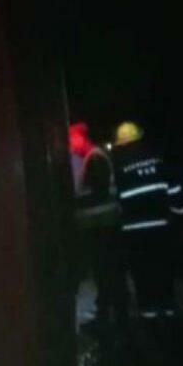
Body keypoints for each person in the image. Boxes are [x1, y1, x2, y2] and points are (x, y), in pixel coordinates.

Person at [111, 120, 183, 321]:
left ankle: (148, 312)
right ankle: (168, 307)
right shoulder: (157, 160)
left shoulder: (118, 168)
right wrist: (178, 213)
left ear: (121, 144)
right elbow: (174, 190)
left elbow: (116, 200)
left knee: (142, 270)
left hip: (133, 230)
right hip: (161, 225)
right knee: (164, 267)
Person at [68, 122, 125, 341]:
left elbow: (93, 194)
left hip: (101, 226)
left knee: (107, 273)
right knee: (107, 274)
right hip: (103, 225)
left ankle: (111, 320)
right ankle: (111, 318)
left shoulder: (94, 158)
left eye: (72, 140)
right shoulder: (92, 158)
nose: (70, 146)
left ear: (81, 138)